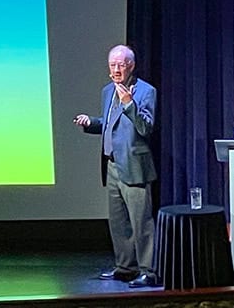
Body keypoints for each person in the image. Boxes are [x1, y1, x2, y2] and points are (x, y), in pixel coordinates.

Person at [73, 45, 159, 288]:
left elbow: (146, 128)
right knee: (118, 222)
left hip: (134, 165)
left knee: (141, 222)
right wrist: (91, 123)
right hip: (111, 165)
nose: (116, 69)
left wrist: (129, 103)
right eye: (112, 65)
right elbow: (111, 124)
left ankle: (149, 271)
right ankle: (125, 267)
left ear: (131, 65)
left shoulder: (145, 91)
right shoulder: (107, 91)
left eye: (121, 64)